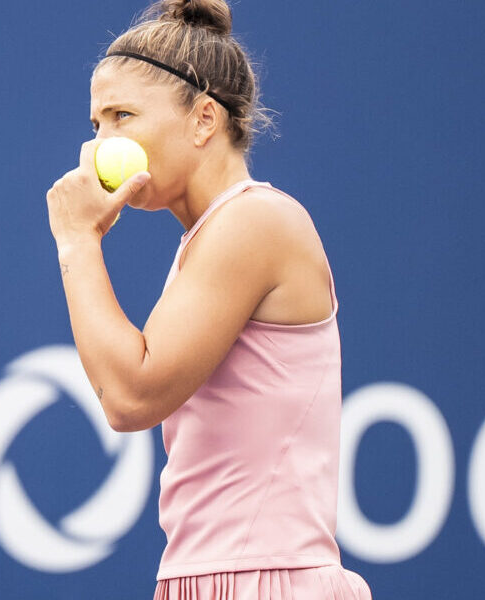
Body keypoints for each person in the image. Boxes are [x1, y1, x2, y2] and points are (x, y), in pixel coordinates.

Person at [45, 1, 371, 598]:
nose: (100, 146)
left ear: (203, 121)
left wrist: (76, 240)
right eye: (96, 125)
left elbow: (128, 396)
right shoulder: (213, 234)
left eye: (122, 116)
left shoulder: (254, 222)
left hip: (267, 582)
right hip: (201, 576)